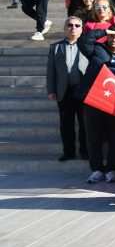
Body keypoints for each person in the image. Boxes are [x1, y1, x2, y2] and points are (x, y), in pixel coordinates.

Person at [77, 26, 115, 184]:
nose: (114, 40)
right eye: (112, 36)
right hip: (94, 99)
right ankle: (96, 170)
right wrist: (104, 31)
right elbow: (83, 41)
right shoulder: (97, 49)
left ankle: (111, 170)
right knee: (93, 136)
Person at [46, 17, 89, 162]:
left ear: (81, 29)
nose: (73, 28)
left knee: (84, 123)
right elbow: (51, 71)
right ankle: (68, 152)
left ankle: (85, 151)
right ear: (65, 28)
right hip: (64, 91)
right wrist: (51, 90)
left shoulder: (87, 46)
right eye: (70, 25)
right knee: (66, 123)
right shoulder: (55, 47)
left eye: (77, 25)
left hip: (82, 90)